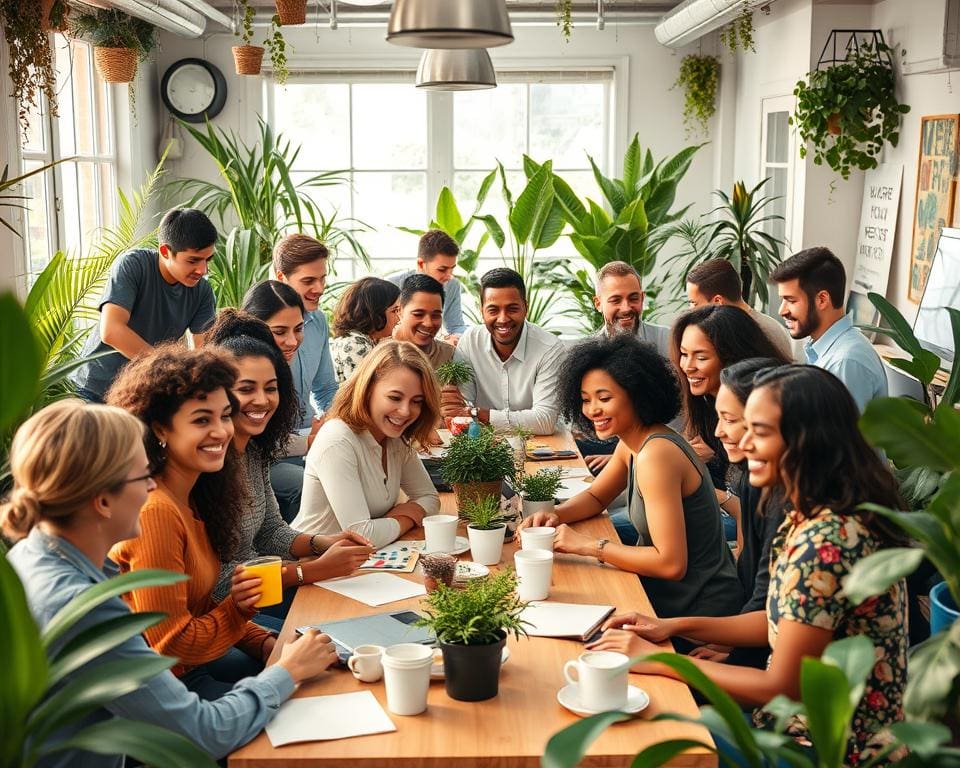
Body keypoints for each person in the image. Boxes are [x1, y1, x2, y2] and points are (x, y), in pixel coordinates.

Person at [589, 366, 908, 764]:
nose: (740, 441)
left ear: (806, 440)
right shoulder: (813, 516)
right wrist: (671, 627)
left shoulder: (825, 541)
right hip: (792, 726)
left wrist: (657, 658)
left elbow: (783, 687)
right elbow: (779, 620)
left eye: (760, 432)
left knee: (642, 740)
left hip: (825, 749)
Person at [3, 399, 339, 767]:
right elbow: (202, 733)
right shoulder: (83, 606)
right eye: (142, 475)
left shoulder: (37, 557)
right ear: (102, 501)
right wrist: (286, 673)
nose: (151, 486)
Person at [521, 334, 743, 619]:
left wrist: (588, 546)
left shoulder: (656, 454)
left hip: (698, 612)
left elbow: (671, 563)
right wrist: (554, 515)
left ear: (637, 395)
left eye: (605, 398)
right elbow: (596, 495)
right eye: (586, 400)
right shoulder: (635, 440)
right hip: (669, 598)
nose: (592, 410)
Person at [107, 346, 276, 700]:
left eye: (225, 416)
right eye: (202, 420)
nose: (221, 431)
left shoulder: (197, 495)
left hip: (192, 669)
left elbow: (197, 605)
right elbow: (172, 645)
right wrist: (237, 609)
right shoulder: (155, 511)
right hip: (163, 690)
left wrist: (265, 644)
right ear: (159, 429)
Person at [206, 310, 373, 624]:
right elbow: (218, 579)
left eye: (270, 388)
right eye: (246, 389)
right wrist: (311, 570)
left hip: (260, 593)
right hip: (223, 608)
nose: (262, 400)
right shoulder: (206, 463)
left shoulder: (253, 450)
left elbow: (271, 532)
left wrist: (321, 543)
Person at [687, 356, 788, 668]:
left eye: (731, 420)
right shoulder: (753, 480)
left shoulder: (800, 511)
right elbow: (754, 574)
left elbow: (772, 611)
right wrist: (731, 645)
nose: (717, 432)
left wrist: (734, 654)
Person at [293, 341, 441, 548]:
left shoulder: (396, 439)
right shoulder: (337, 438)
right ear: (368, 389)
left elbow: (430, 498)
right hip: (312, 566)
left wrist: (388, 523)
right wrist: (406, 516)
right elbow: (362, 535)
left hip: (362, 566)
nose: (406, 411)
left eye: (417, 401)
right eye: (395, 397)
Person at [72, 208, 217, 403]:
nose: (202, 270)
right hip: (95, 390)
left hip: (144, 394)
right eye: (193, 260)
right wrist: (171, 367)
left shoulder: (203, 291)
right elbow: (112, 330)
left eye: (208, 260)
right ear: (165, 251)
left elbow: (205, 351)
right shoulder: (133, 265)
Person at [670, 305, 791, 526]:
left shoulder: (763, 409)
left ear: (730, 356)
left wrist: (709, 491)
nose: (687, 366)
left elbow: (754, 511)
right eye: (684, 354)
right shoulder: (705, 402)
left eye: (701, 357)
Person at [443, 268, 565, 436]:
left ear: (525, 307)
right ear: (482, 310)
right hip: (484, 446)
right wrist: (456, 405)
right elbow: (463, 406)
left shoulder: (550, 348)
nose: (503, 319)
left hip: (544, 449)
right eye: (493, 310)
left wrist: (480, 414)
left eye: (512, 309)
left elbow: (545, 421)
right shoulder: (470, 341)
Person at [771, 246, 887, 411]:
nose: (782, 310)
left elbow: (839, 435)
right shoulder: (825, 350)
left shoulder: (845, 362)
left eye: (791, 300)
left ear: (822, 300)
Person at [241, 279, 310, 521]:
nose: (292, 341)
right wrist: (309, 442)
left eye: (299, 329)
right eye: (279, 332)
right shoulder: (234, 366)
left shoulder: (278, 367)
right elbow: (261, 443)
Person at [272, 234, 338, 424]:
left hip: (312, 437)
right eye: (308, 281)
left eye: (322, 279)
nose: (319, 289)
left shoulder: (318, 321)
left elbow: (326, 389)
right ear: (281, 278)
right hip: (272, 446)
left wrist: (339, 421)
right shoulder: (259, 324)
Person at [686, 258, 795, 361]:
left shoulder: (758, 332)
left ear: (717, 301)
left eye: (693, 303)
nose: (690, 309)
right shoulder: (731, 326)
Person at [388, 229, 468, 341]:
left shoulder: (452, 285)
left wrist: (457, 338)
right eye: (442, 269)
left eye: (452, 269)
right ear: (420, 264)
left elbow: (456, 326)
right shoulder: (391, 286)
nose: (449, 276)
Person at [330, 277, 401, 384]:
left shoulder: (361, 339)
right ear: (375, 313)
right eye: (395, 311)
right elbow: (364, 392)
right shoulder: (355, 343)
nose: (399, 317)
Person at [593, 261, 670, 353]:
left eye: (633, 298)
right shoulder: (590, 353)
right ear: (598, 304)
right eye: (615, 300)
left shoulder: (668, 340)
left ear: (642, 298)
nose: (626, 308)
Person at [393, 273, 455, 368]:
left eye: (436, 315)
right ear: (399, 312)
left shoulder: (451, 357)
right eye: (418, 314)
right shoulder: (380, 355)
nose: (428, 323)